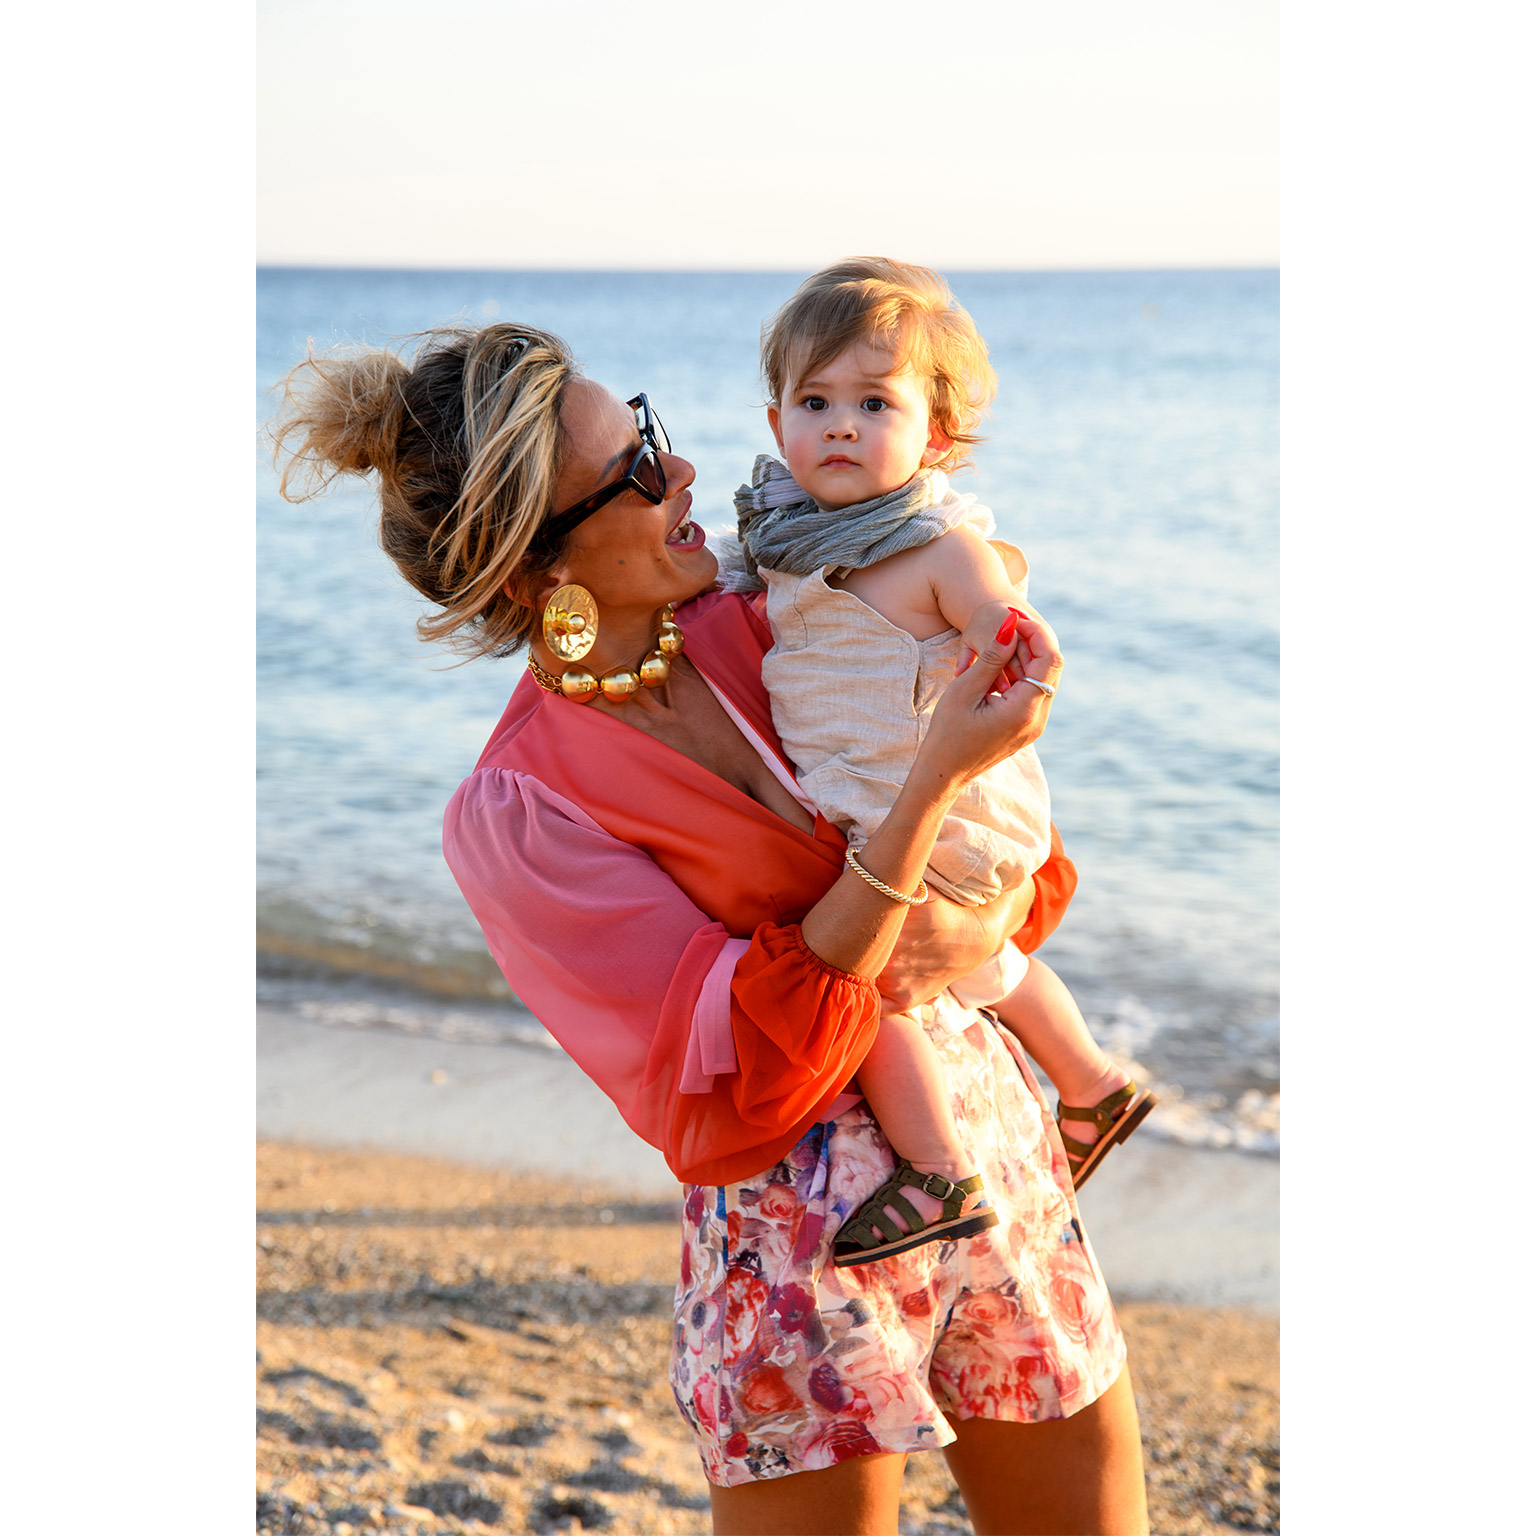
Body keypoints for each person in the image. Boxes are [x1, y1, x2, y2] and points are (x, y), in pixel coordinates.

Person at [273, 319, 1150, 1534]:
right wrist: (925, 799)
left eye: (655, 437)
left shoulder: (781, 613)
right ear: (538, 573)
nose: (683, 473)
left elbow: (1028, 862)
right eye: (634, 472)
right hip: (802, 1241)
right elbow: (745, 1076)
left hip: (997, 1151)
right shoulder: (526, 813)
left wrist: (984, 906)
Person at [723, 258, 1156, 1267]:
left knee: (863, 982)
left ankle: (935, 1170)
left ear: (938, 436)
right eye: (814, 401)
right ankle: (1090, 1082)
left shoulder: (930, 542)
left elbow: (998, 620)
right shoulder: (790, 538)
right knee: (980, 962)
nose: (839, 424)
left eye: (875, 403)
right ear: (777, 419)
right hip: (883, 805)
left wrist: (1017, 644)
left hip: (938, 808)